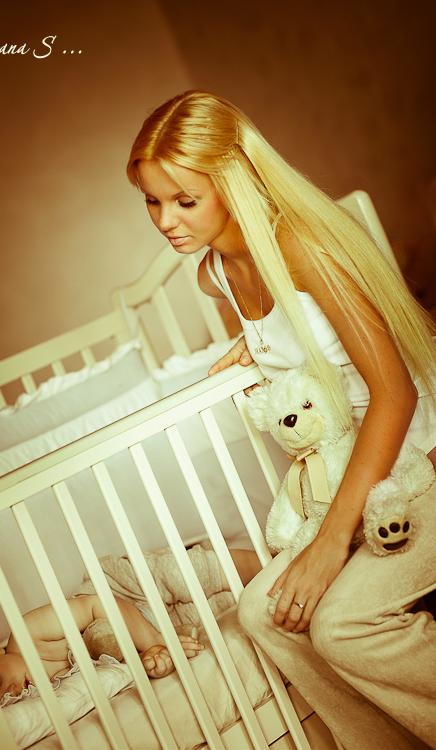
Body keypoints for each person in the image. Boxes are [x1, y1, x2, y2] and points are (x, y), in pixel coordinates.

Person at [127, 90, 436, 750]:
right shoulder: (215, 275)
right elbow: (311, 357)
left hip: (421, 461)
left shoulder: (298, 245)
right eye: (152, 201)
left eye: (184, 200)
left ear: (231, 181)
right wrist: (260, 348)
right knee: (260, 613)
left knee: (341, 625)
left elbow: (395, 394)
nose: (165, 220)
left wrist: (330, 544)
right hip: (364, 474)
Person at [0, 545, 261, 703]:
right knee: (231, 605)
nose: (12, 691)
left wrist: (156, 641)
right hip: (152, 636)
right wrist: (151, 659)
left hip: (124, 592)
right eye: (2, 701)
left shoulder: (28, 635)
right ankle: (269, 585)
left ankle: (270, 560)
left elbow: (98, 605)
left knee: (193, 574)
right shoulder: (48, 700)